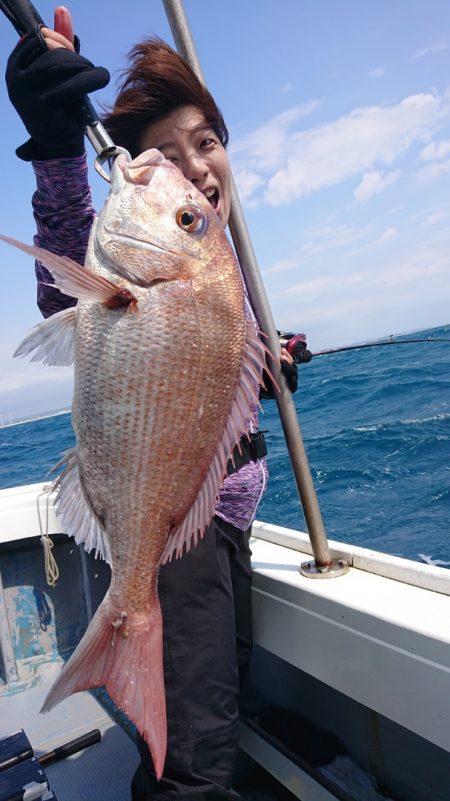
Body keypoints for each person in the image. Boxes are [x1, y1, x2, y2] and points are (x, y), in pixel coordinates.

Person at [6, 8, 298, 799]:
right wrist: (58, 149)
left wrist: (273, 358)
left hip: (223, 520)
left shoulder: (215, 263)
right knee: (195, 767)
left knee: (216, 709)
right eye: (165, 157)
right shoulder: (147, 261)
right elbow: (63, 281)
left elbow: (214, 365)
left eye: (207, 142)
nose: (195, 169)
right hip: (174, 543)